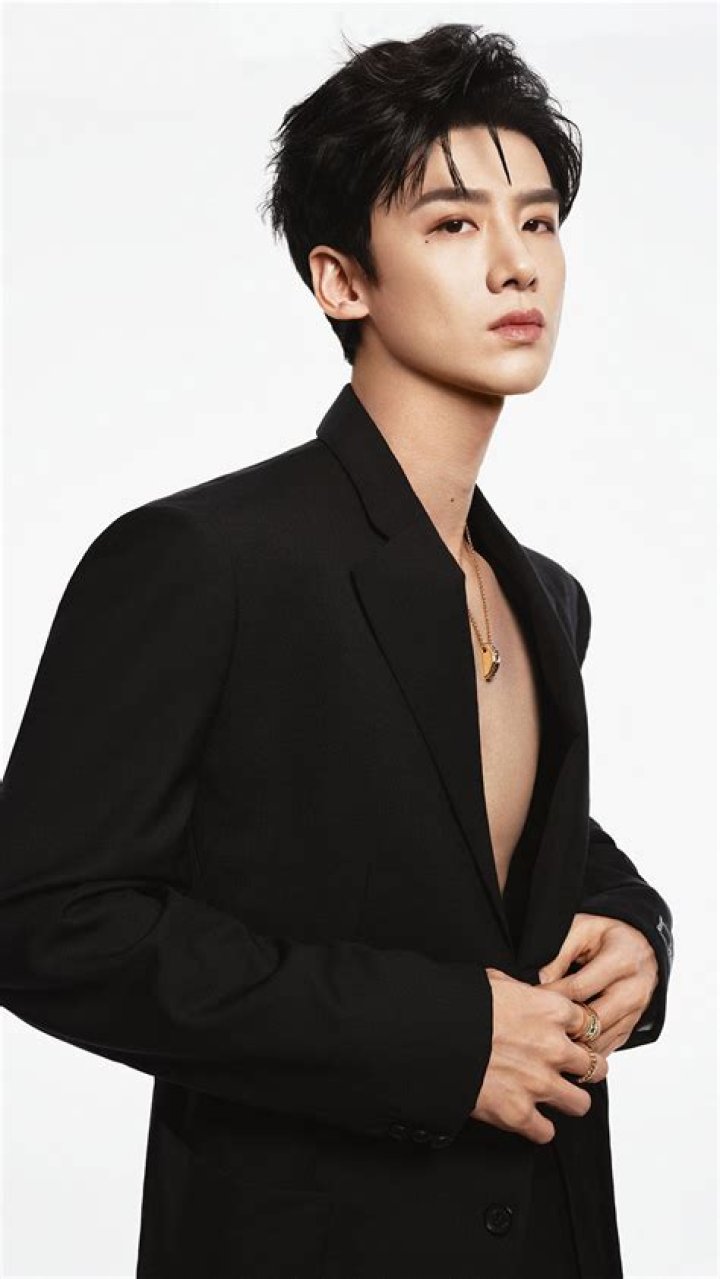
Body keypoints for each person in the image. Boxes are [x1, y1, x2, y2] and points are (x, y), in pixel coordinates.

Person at [0, 22, 674, 1279]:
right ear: (341, 280)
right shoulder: (201, 560)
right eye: (454, 223)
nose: (516, 262)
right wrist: (435, 1039)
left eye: (537, 221)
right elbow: (48, 919)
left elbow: (481, 847)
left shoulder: (546, 596)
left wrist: (639, 930)